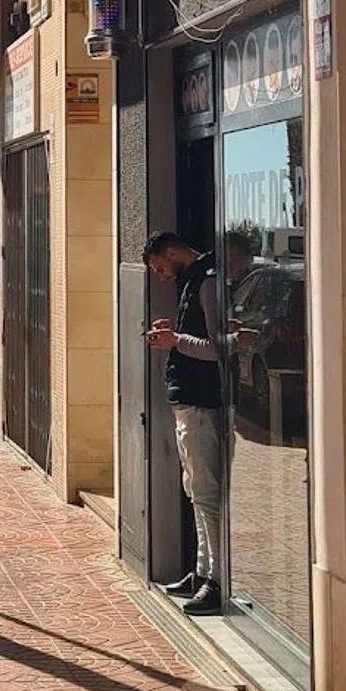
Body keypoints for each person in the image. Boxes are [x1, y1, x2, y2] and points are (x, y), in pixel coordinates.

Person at [145, 230, 230, 614]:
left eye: (160, 267)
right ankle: (202, 570)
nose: (161, 276)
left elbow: (218, 348)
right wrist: (175, 336)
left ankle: (217, 581)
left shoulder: (207, 281)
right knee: (195, 489)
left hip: (201, 403)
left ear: (172, 252)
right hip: (189, 403)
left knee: (206, 492)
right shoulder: (194, 280)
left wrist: (175, 340)